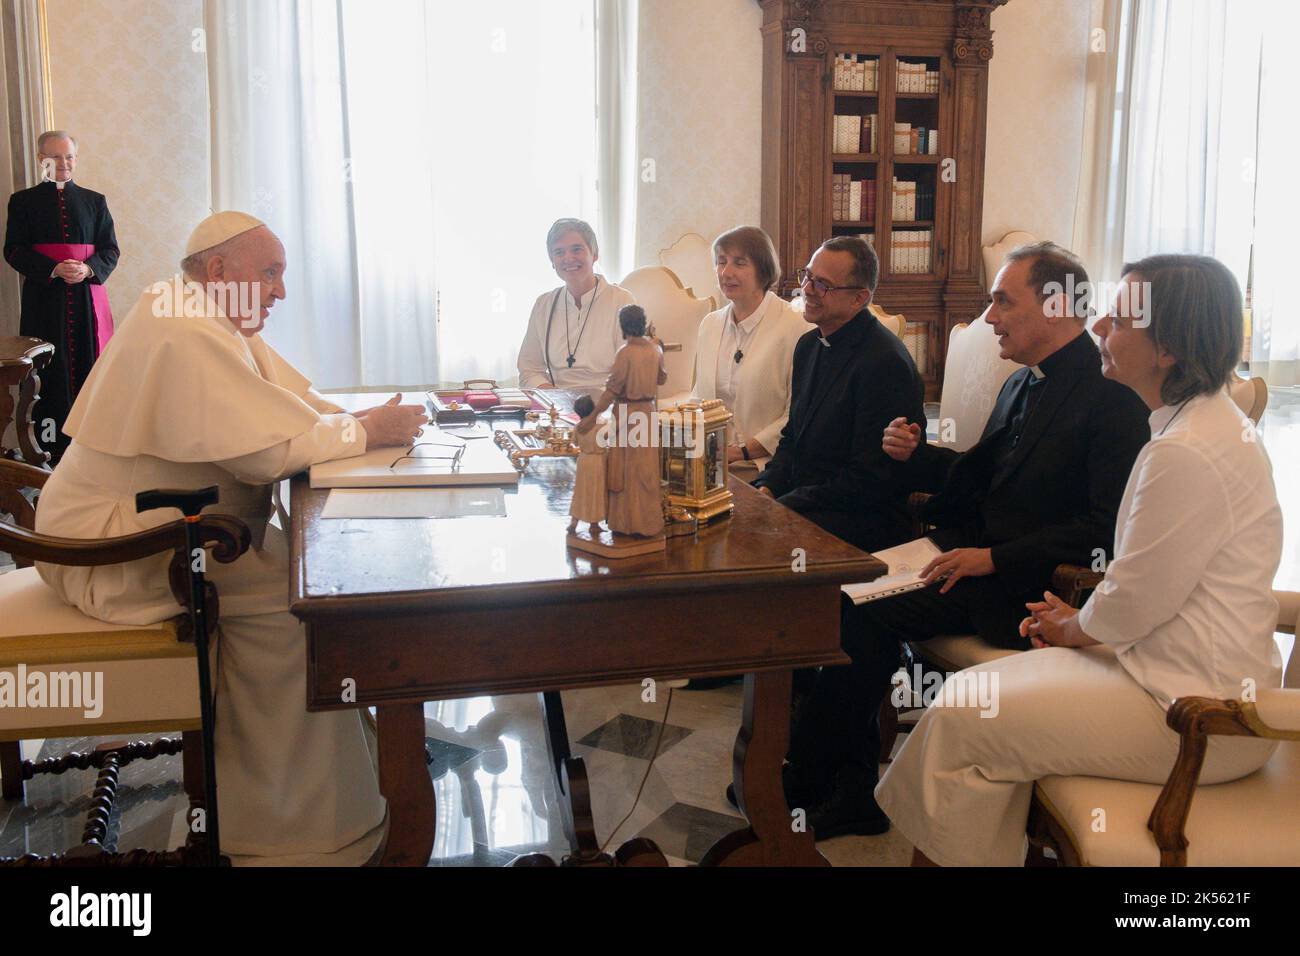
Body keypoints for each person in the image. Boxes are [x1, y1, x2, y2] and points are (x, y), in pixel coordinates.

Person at [33, 211, 428, 859]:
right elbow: (264, 451)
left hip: (145, 526)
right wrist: (366, 431)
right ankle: (294, 832)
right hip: (107, 551)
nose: (279, 291)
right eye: (270, 273)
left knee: (306, 574)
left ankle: (354, 781)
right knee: (301, 599)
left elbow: (287, 406)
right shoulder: (185, 326)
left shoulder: (201, 311)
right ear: (220, 270)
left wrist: (360, 419)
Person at [877, 254, 1283, 866]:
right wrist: (1081, 622)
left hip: (1192, 711)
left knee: (962, 715)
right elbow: (1148, 583)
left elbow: (1137, 595)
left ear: (1167, 346)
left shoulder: (1187, 450)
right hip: (1159, 669)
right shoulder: (1193, 427)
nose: (1098, 329)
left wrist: (1075, 625)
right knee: (965, 710)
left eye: (1118, 320)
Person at [786, 241, 1152, 838]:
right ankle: (823, 776)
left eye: (1003, 302)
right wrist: (915, 456)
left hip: (1027, 589)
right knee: (831, 588)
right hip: (966, 557)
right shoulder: (1021, 383)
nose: (989, 318)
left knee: (853, 610)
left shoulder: (1112, 397)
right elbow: (976, 476)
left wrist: (993, 558)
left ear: (1057, 306)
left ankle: (831, 783)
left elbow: (1107, 528)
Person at [752, 236, 925, 553]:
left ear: (859, 298)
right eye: (807, 276)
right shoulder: (809, 345)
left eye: (823, 285)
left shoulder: (884, 363)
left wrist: (785, 505)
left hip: (860, 517)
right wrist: (768, 486)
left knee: (754, 544)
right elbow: (793, 435)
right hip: (808, 500)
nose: (806, 289)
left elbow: (868, 479)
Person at [4, 130, 119, 461]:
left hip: (86, 302)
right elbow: (13, 251)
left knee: (88, 370)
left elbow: (111, 249)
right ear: (42, 160)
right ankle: (48, 451)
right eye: (55, 157)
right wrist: (53, 269)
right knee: (47, 377)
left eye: (69, 156)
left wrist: (87, 269)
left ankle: (89, 450)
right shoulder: (22, 201)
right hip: (44, 302)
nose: (64, 163)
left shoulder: (94, 201)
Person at [692, 226, 807, 470]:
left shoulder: (796, 326)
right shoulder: (709, 325)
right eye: (721, 262)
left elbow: (797, 413)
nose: (726, 272)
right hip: (709, 461)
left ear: (764, 271)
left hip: (766, 466)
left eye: (740, 263)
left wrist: (743, 451)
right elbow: (698, 397)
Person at [517, 218, 635, 393]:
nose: (568, 258)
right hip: (557, 409)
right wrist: (557, 400)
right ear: (552, 260)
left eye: (576, 249)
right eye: (559, 252)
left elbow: (632, 371)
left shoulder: (622, 302)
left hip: (609, 406)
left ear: (594, 254)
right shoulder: (544, 304)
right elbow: (529, 370)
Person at [582, 304, 667, 537]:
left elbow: (611, 391)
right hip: (648, 413)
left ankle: (627, 523)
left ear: (623, 325)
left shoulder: (625, 353)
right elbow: (662, 379)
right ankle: (648, 522)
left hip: (627, 414)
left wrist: (591, 418)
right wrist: (661, 350)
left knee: (625, 471)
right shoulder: (654, 350)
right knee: (647, 470)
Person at [568, 394, 607, 533]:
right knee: (596, 491)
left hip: (583, 460)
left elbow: (575, 442)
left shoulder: (578, 426)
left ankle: (574, 522)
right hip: (597, 460)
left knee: (580, 491)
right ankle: (594, 524)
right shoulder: (602, 424)